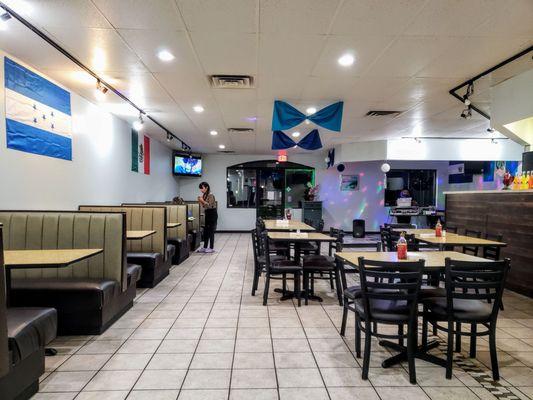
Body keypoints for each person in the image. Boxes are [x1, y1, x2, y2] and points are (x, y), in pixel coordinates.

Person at [197, 182, 218, 253]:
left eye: (202, 188)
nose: (201, 190)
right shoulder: (204, 195)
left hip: (212, 214)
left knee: (211, 231)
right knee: (206, 231)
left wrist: (202, 201)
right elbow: (204, 206)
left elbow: (210, 206)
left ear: (206, 188)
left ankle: (211, 248)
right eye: (200, 188)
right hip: (207, 213)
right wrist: (200, 201)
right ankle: (205, 247)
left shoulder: (210, 195)